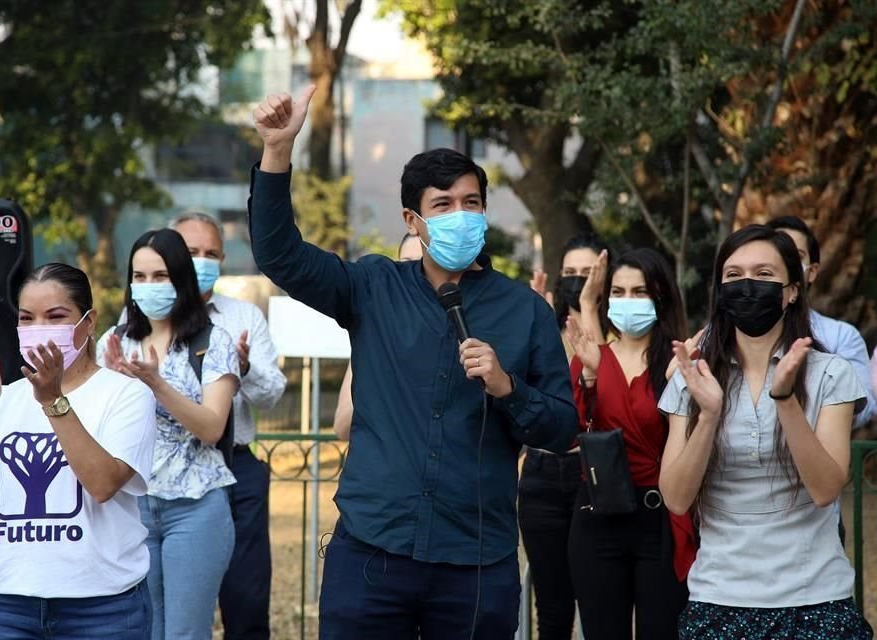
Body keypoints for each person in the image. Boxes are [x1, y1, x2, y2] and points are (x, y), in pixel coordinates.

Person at [250, 87, 577, 639]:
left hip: (475, 565)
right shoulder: (372, 287)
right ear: (413, 219)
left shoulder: (524, 311)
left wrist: (507, 387)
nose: (460, 217)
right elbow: (280, 255)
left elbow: (563, 427)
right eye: (442, 205)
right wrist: (278, 152)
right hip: (373, 553)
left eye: (471, 203)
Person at [658, 225, 873, 640]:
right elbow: (677, 498)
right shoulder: (692, 378)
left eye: (764, 275)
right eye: (734, 276)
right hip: (719, 598)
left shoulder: (831, 373)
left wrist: (786, 399)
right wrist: (710, 414)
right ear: (719, 289)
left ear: (792, 290)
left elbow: (827, 488)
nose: (748, 286)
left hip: (814, 599)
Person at [0, 263, 157, 639]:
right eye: (27, 318)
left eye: (55, 316)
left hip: (101, 609)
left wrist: (54, 400)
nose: (39, 329)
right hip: (3, 608)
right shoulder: (0, 398)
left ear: (88, 324)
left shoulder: (125, 394)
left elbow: (103, 484)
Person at [98, 229, 240, 640]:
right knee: (141, 630)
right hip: (133, 509)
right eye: (139, 277)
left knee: (184, 633)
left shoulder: (212, 341)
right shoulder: (114, 342)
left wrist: (156, 384)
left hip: (196, 510)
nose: (148, 287)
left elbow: (212, 427)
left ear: (181, 279)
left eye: (160, 276)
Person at [169, 210, 287, 640]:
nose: (201, 261)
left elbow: (272, 395)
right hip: (167, 476)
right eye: (190, 252)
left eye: (211, 253)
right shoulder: (141, 322)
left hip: (237, 472)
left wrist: (243, 368)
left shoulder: (243, 318)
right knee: (172, 606)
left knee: (247, 599)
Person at [565, 248, 695, 640]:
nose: (628, 301)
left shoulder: (681, 360)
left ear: (662, 296)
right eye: (618, 292)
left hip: (661, 518)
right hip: (598, 514)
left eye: (640, 292)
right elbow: (572, 434)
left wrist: (682, 386)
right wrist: (588, 376)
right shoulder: (591, 357)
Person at [520, 233, 609, 640]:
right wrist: (531, 320)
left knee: (598, 603)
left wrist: (589, 311)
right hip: (540, 474)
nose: (577, 280)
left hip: (592, 474)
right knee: (552, 609)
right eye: (569, 272)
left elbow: (612, 393)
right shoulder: (544, 327)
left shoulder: (620, 333)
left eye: (587, 272)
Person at [766, 215, 877, 428]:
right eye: (775, 256)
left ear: (812, 271)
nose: (784, 266)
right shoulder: (722, 333)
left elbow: (865, 408)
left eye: (794, 256)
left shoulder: (841, 336)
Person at [333, 232, 423, 440]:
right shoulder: (376, 337)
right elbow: (342, 427)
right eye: (406, 264)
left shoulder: (466, 336)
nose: (415, 274)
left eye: (423, 265)